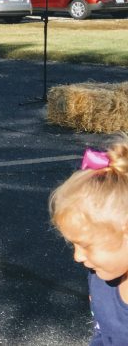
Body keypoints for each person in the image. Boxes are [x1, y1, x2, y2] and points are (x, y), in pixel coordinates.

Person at [50, 142, 128, 346]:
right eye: (74, 245)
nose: (77, 257)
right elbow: (103, 333)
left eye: (86, 245)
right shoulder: (100, 277)